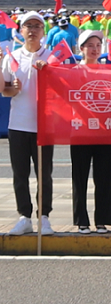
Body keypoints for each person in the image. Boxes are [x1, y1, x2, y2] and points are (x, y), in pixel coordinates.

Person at [2, 12, 54, 236]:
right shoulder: (12, 57)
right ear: (21, 30)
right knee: (20, 173)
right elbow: (5, 91)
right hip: (18, 123)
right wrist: (13, 89)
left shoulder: (52, 57)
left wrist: (49, 71)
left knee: (45, 174)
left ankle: (44, 216)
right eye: (28, 26)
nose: (32, 30)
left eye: (37, 26)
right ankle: (24, 216)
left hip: (44, 125)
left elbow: (63, 89)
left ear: (43, 31)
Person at [71, 30, 111, 234]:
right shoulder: (72, 72)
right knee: (80, 177)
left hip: (104, 130)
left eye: (98, 45)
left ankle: (102, 220)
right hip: (80, 130)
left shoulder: (108, 71)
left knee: (104, 176)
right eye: (90, 46)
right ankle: (82, 219)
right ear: (81, 49)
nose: (95, 49)